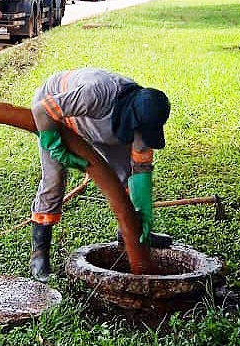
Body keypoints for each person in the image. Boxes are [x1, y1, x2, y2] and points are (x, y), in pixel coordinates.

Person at [29, 68, 172, 281]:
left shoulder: (142, 112)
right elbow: (41, 111)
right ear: (133, 123)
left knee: (124, 178)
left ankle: (130, 234)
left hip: (98, 126)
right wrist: (56, 147)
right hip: (54, 117)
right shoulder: (96, 94)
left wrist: (144, 212)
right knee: (54, 182)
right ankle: (39, 256)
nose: (141, 139)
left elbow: (140, 167)